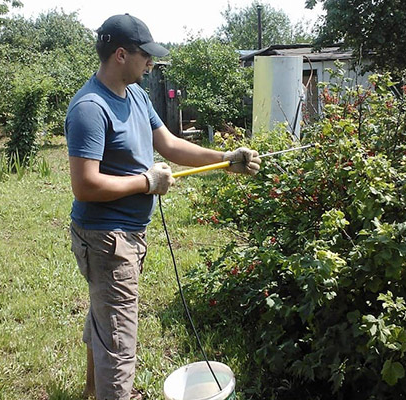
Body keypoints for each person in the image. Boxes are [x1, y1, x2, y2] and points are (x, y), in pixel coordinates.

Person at [65, 13, 261, 400]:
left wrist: (225, 157)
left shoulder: (136, 94)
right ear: (121, 54)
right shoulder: (90, 108)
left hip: (126, 234)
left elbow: (170, 145)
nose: (151, 62)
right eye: (145, 55)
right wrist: (147, 182)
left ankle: (91, 391)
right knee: (119, 343)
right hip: (107, 239)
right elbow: (84, 185)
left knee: (106, 319)